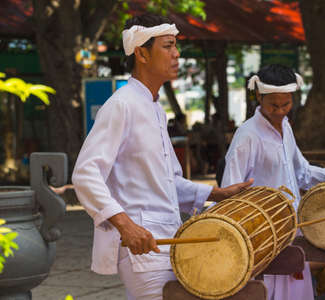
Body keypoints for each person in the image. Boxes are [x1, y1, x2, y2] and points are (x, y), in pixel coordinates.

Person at [71, 14, 252, 300]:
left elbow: (169, 183)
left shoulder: (155, 108)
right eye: (168, 46)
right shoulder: (121, 105)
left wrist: (219, 194)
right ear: (142, 53)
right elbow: (85, 174)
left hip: (171, 239)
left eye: (175, 46)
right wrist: (126, 226)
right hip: (142, 246)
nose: (177, 54)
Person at [220, 64, 325, 300]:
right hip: (264, 236)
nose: (280, 111)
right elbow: (230, 192)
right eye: (273, 106)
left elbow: (303, 173)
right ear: (259, 96)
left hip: (293, 230)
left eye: (286, 104)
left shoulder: (286, 127)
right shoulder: (247, 136)